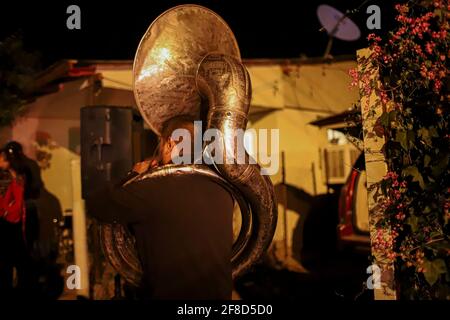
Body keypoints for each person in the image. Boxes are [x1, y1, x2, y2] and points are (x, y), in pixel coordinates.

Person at [86, 116, 234, 300]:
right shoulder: (222, 188)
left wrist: (135, 174)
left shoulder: (150, 189)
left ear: (170, 144)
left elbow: (96, 204)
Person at [0, 147, 31, 297]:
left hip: (11, 225)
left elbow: (17, 206)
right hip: (10, 224)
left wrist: (4, 211)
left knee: (12, 262)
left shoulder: (17, 179)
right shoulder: (12, 178)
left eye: (1, 159)